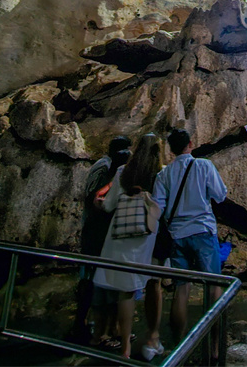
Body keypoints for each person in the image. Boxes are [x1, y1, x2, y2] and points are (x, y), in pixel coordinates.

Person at [153, 128, 228, 356]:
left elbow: (158, 207)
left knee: (181, 289)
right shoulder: (204, 166)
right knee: (213, 287)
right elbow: (220, 195)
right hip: (203, 232)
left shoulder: (163, 175)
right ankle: (214, 350)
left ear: (171, 149)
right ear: (191, 144)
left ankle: (179, 347)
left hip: (177, 236)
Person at [93, 134, 164, 360]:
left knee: (125, 291)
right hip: (144, 236)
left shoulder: (123, 171)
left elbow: (109, 205)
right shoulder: (159, 174)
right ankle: (152, 337)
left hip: (120, 232)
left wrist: (99, 203)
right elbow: (162, 206)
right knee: (144, 284)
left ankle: (124, 348)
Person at [72, 136, 130, 342]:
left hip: (106, 229)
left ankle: (105, 325)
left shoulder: (114, 168)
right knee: (89, 276)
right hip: (94, 229)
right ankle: (82, 322)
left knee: (105, 277)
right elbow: (92, 196)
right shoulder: (103, 166)